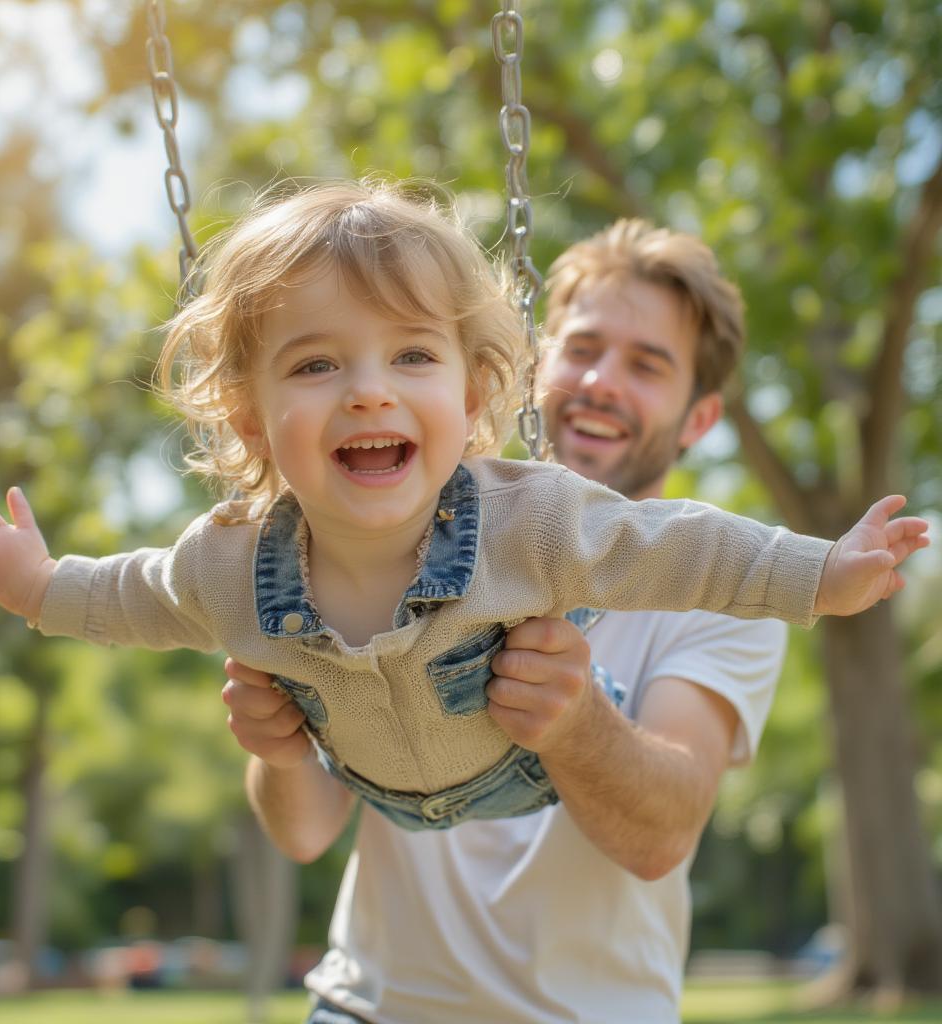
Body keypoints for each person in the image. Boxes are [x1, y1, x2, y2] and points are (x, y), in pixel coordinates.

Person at [0, 183, 924, 834]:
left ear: (473, 395)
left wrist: (822, 573)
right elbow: (126, 596)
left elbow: (694, 551)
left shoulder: (537, 517)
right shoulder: (225, 564)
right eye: (317, 364)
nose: (368, 391)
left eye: (410, 355)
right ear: (251, 413)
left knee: (598, 567)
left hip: (534, 818)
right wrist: (39, 585)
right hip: (376, 848)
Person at [221, 218, 927, 1022]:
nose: (599, 383)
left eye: (647, 365)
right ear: (530, 364)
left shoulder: (726, 588)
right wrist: (277, 752)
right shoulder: (388, 530)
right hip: (369, 1006)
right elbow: (304, 833)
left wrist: (577, 719)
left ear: (698, 420)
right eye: (582, 348)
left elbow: (660, 837)